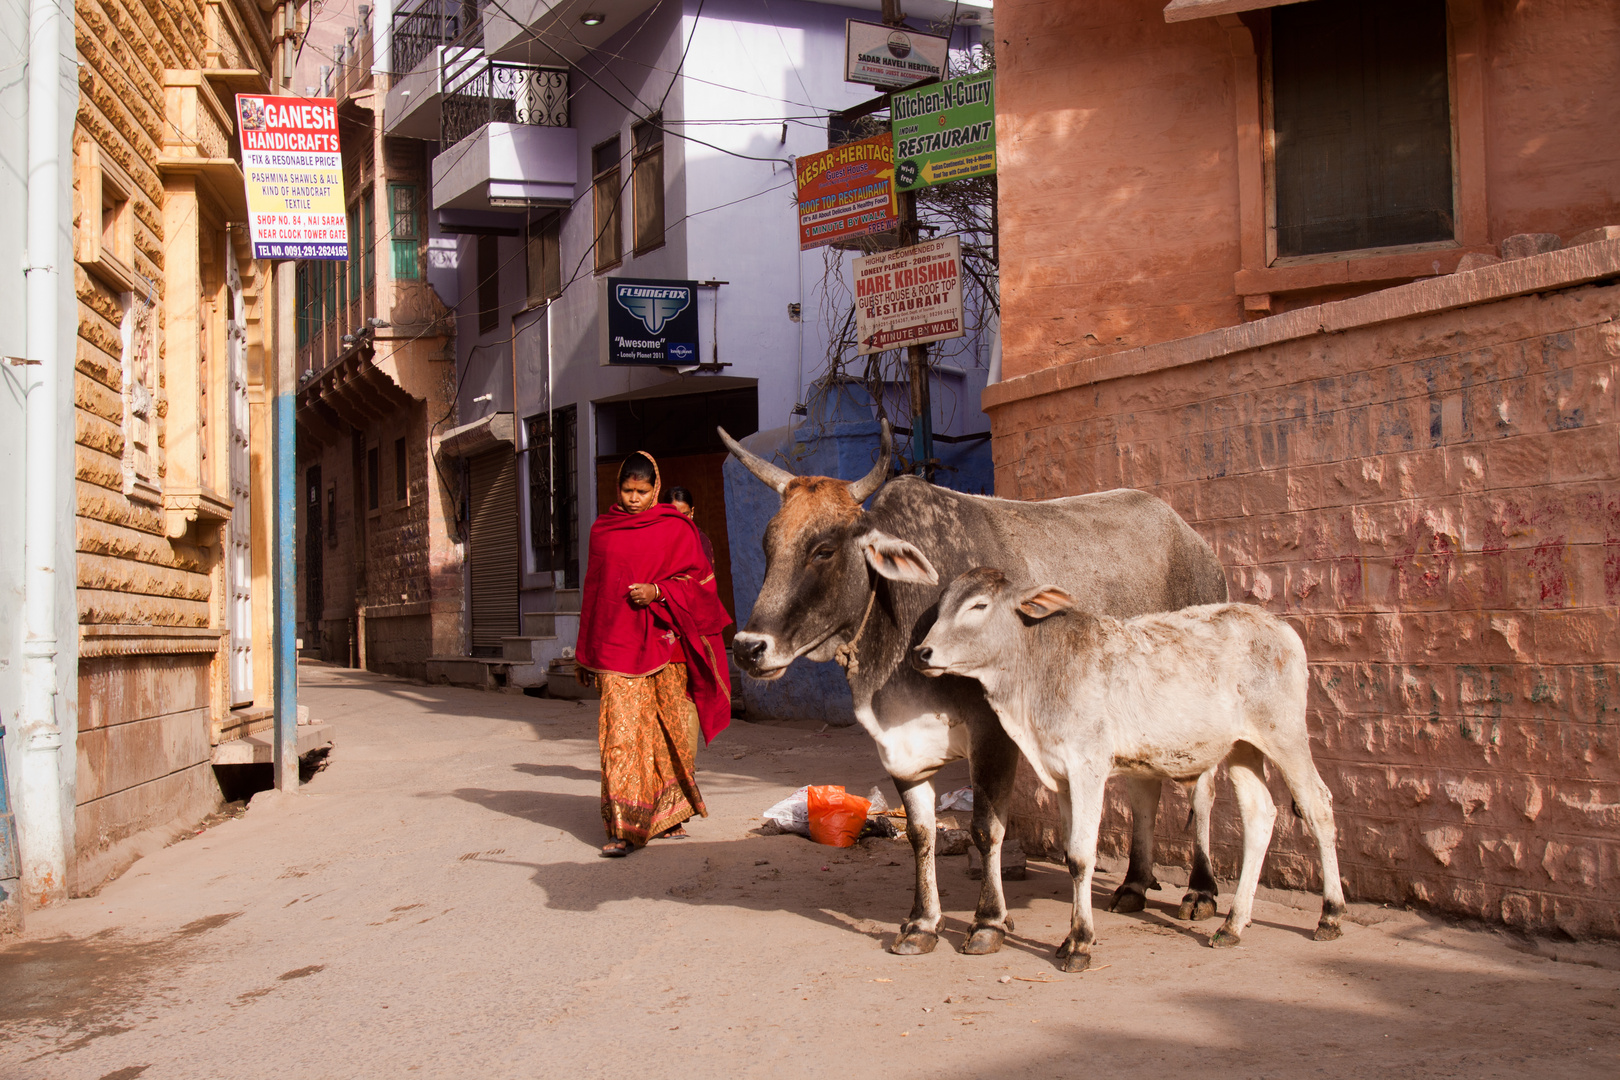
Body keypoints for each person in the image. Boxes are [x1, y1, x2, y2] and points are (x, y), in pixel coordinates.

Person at [575, 452, 733, 858]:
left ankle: (668, 815)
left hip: (667, 647)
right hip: (616, 648)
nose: (633, 499)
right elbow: (594, 594)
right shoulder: (603, 531)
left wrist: (658, 592)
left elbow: (699, 586)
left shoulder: (676, 529)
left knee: (670, 734)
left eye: (642, 492)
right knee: (621, 738)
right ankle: (624, 829)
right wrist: (584, 653)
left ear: (655, 489)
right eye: (627, 490)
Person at [668, 485, 717, 569]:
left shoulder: (702, 542)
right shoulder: (660, 540)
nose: (681, 520)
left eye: (685, 514)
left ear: (692, 512)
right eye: (675, 515)